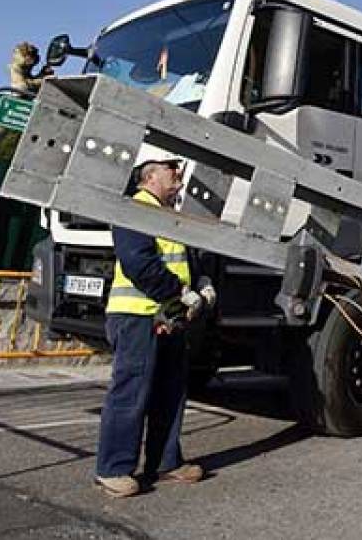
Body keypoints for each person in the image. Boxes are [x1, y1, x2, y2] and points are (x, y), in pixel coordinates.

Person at [94, 158, 216, 497]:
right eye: (169, 168)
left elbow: (182, 260)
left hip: (167, 317)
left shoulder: (166, 213)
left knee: (169, 393)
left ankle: (165, 464)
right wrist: (180, 294)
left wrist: (201, 281)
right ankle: (113, 469)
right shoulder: (137, 209)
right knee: (131, 392)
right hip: (138, 316)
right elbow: (139, 264)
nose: (177, 173)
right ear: (148, 177)